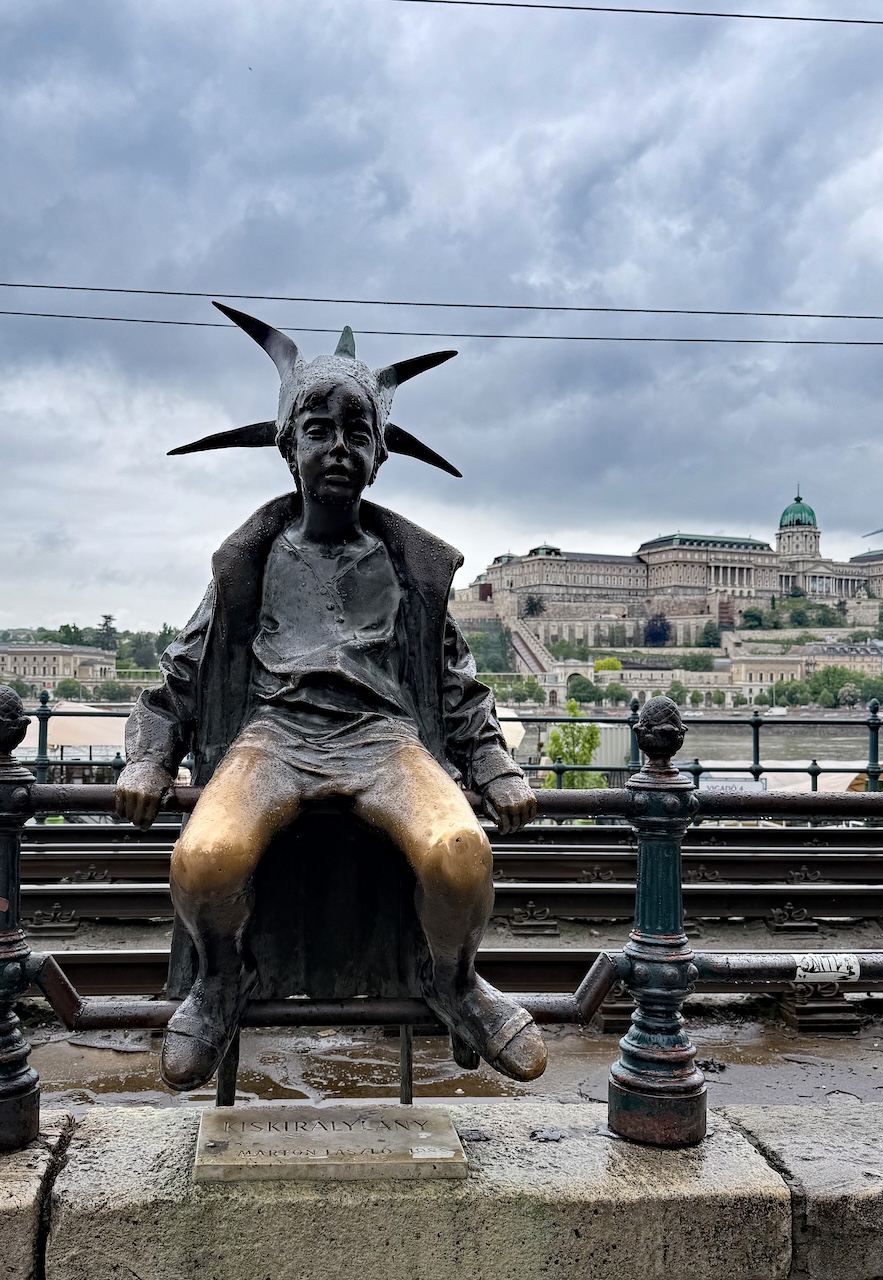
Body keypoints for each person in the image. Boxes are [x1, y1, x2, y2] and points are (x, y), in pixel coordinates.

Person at [116, 305, 544, 1091]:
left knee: (461, 856)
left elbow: (454, 683)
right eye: (318, 429)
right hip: (272, 739)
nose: (338, 448)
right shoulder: (252, 563)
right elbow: (182, 671)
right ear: (288, 448)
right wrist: (150, 756)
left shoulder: (407, 568)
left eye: (358, 433)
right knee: (205, 858)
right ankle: (218, 984)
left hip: (386, 741)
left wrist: (493, 764)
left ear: (380, 455)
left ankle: (456, 982)